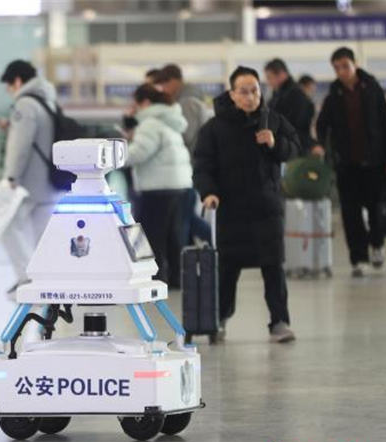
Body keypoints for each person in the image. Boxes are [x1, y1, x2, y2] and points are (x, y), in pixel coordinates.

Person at [194, 66, 301, 343]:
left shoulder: (272, 120)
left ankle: (279, 321)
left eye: (255, 90)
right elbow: (203, 166)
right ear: (232, 94)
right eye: (244, 91)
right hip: (231, 210)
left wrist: (275, 144)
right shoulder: (214, 128)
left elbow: (295, 147)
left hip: (267, 209)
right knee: (227, 270)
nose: (251, 96)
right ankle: (219, 320)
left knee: (274, 267)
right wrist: (208, 192)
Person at [314, 47, 386, 277]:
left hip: (374, 161)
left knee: (375, 208)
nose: (341, 71)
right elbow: (322, 124)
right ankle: (358, 258)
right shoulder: (333, 95)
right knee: (351, 214)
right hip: (346, 164)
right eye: (336, 68)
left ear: (354, 64)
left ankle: (377, 246)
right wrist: (322, 144)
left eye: (345, 66)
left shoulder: (373, 90)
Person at [0, 59, 64, 295]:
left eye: (9, 85)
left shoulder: (25, 104)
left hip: (28, 183)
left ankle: (26, 278)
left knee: (5, 225)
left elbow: (20, 145)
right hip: (49, 181)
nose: (9, 90)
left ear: (17, 80)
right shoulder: (47, 100)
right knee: (42, 233)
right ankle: (46, 279)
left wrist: (11, 178)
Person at [124, 84, 192, 288]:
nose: (134, 108)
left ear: (145, 102)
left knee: (151, 236)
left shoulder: (150, 123)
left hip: (157, 187)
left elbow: (138, 153)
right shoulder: (169, 120)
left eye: (135, 103)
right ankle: (176, 279)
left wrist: (117, 155)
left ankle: (154, 278)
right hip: (177, 184)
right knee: (172, 235)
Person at [154, 63, 213, 249]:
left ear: (174, 81)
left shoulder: (186, 102)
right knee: (186, 216)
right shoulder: (189, 99)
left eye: (164, 84)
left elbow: (185, 134)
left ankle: (215, 243)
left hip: (192, 165)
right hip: (192, 165)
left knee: (185, 216)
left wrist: (164, 133)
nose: (163, 90)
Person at [264, 58, 316, 155]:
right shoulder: (278, 95)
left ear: (282, 74)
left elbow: (295, 126)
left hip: (294, 148)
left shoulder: (295, 95)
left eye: (270, 77)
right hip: (284, 146)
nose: (268, 82)